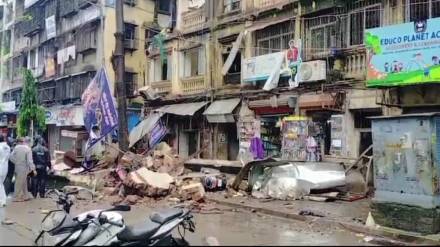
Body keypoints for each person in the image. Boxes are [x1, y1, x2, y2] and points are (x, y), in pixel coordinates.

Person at [9, 137, 36, 202]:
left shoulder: (16, 148)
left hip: (17, 167)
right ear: (23, 142)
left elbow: (10, 157)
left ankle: (26, 195)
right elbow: (30, 161)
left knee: (23, 182)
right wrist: (33, 169)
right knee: (19, 183)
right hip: (24, 168)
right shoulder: (28, 149)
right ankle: (15, 197)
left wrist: (16, 162)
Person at [0, 135, 11, 207]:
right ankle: (3, 200)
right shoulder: (8, 147)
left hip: (0, 166)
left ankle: (3, 200)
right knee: (1, 184)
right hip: (5, 168)